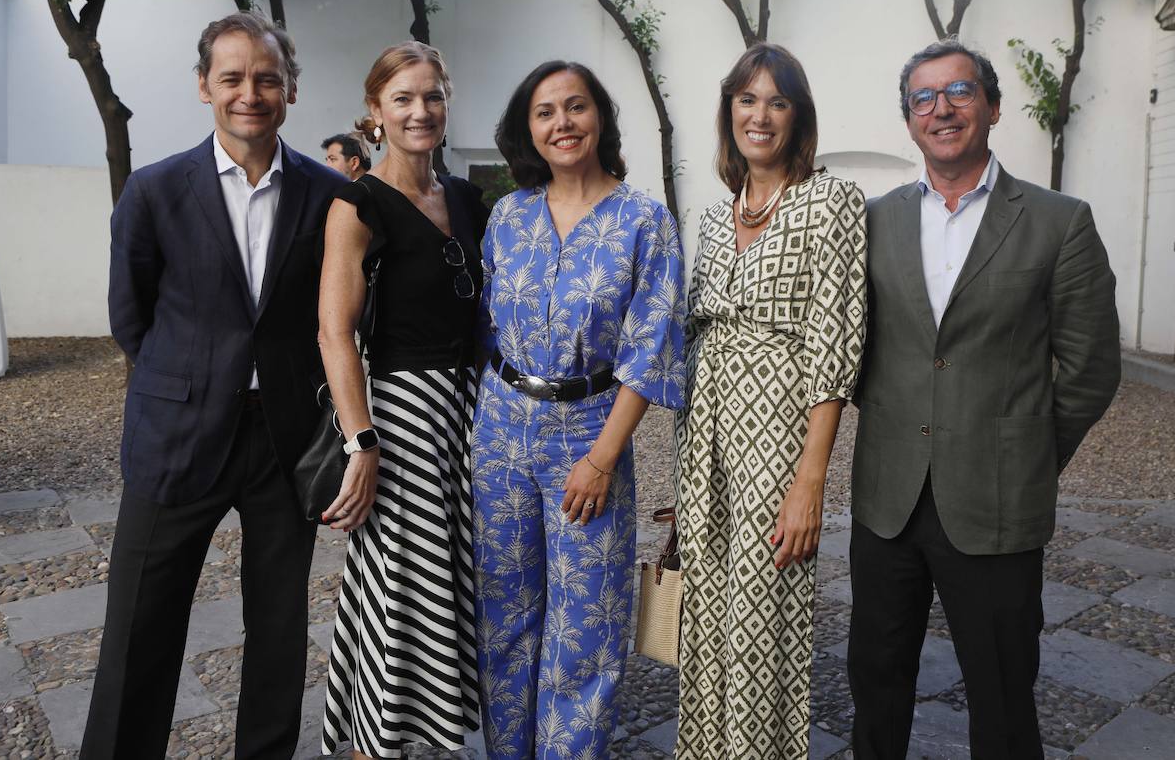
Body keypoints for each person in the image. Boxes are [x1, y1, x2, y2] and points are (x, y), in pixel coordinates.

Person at [848, 40, 1121, 759]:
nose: (942, 109)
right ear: (908, 121)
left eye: (960, 91)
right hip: (886, 500)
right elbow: (845, 345)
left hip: (998, 502)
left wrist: (1024, 449)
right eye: (923, 98)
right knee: (876, 686)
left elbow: (1090, 367)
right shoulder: (871, 223)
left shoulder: (1059, 222)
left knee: (1001, 698)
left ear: (992, 107)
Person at [83, 12, 342, 759]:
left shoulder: (329, 197)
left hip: (285, 441)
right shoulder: (154, 191)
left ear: (289, 88)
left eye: (266, 78)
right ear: (204, 87)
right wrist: (191, 380)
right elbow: (130, 316)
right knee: (139, 626)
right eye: (232, 78)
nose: (249, 94)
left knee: (279, 632)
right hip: (177, 434)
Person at [471, 60, 686, 758]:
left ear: (600, 118)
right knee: (504, 619)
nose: (561, 123)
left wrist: (602, 459)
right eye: (544, 111)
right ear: (526, 128)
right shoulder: (507, 216)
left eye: (575, 107)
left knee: (583, 630)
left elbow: (651, 353)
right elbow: (480, 327)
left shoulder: (643, 221)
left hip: (589, 434)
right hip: (500, 430)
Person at [674, 43, 868, 760]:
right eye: (747, 100)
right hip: (706, 434)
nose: (761, 115)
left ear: (798, 116)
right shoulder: (713, 213)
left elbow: (837, 342)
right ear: (730, 112)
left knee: (761, 618)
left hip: (778, 434)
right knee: (706, 615)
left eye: (777, 101)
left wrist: (810, 482)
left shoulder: (832, 200)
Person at [316, 42, 488, 759]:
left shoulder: (470, 200)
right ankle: (373, 744)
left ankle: (436, 733)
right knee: (400, 587)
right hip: (404, 413)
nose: (421, 111)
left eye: (433, 96)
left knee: (455, 576)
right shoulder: (358, 204)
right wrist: (361, 441)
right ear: (376, 113)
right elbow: (334, 330)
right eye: (404, 99)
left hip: (474, 410)